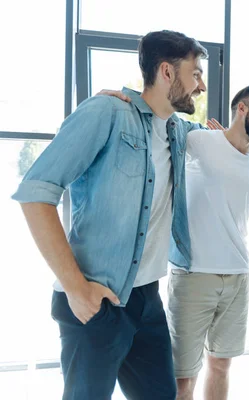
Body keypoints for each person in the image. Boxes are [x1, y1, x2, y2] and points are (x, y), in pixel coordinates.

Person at [12, 30, 208, 400]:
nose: (200, 85)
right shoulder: (107, 112)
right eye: (195, 72)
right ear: (167, 72)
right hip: (95, 300)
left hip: (147, 300)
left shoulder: (177, 131)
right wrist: (76, 288)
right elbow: (36, 193)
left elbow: (226, 140)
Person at [168, 84, 249, 400]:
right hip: (193, 276)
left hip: (238, 276)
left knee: (221, 366)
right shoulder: (201, 140)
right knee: (183, 378)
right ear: (242, 108)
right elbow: (160, 130)